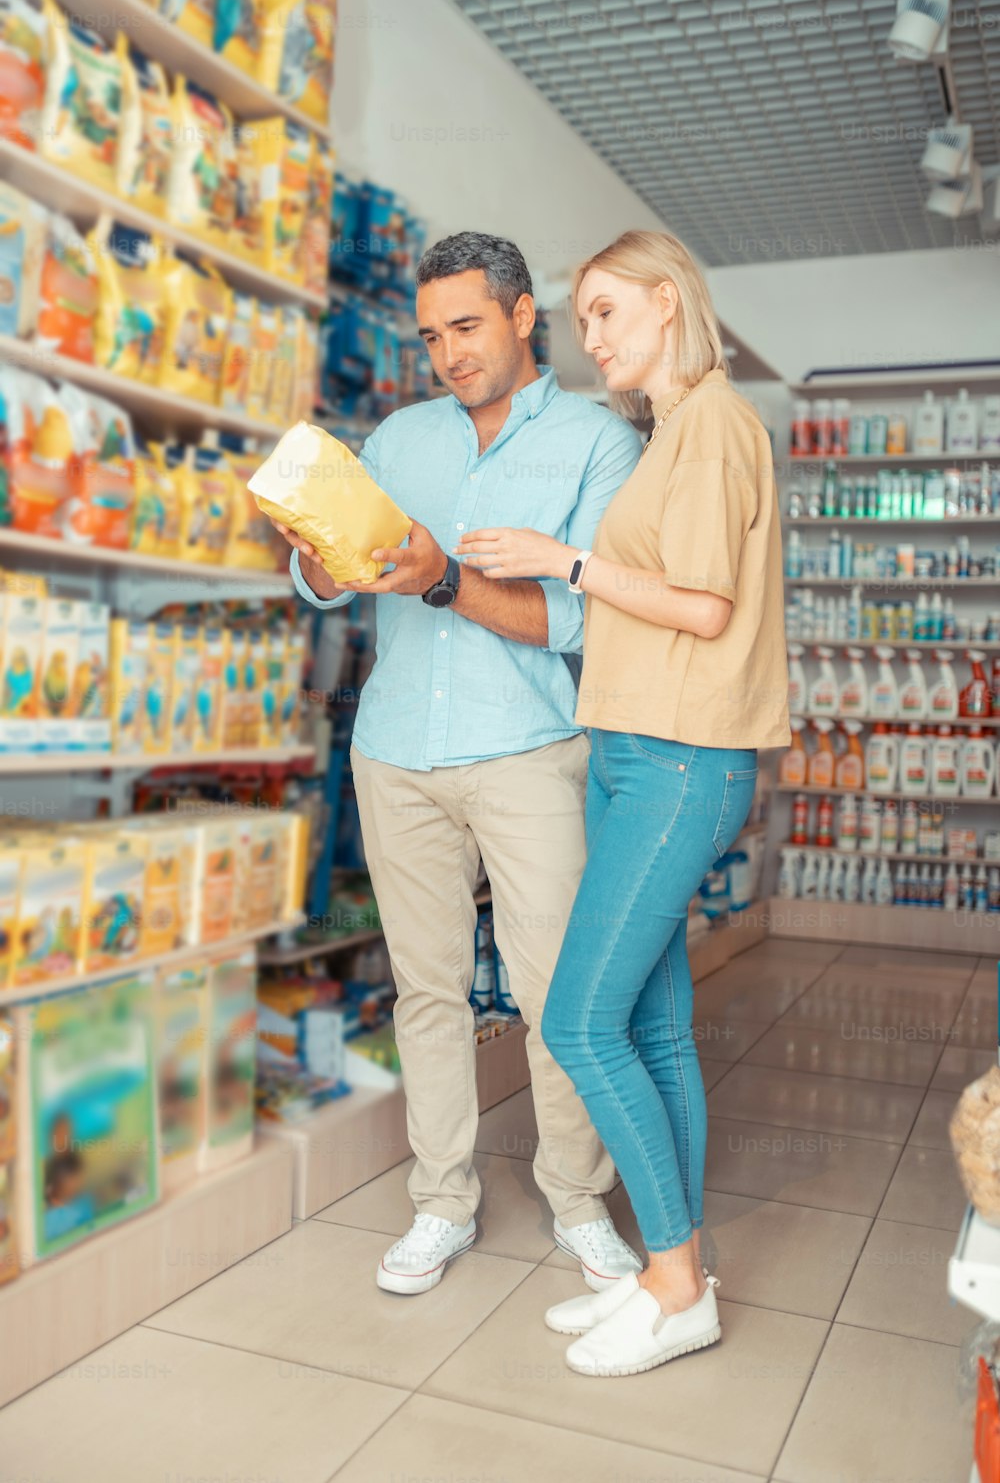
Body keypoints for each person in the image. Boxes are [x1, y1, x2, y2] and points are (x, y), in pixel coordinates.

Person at [279, 232, 644, 1296]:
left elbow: (578, 621)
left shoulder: (593, 443)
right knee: (426, 995)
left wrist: (441, 581)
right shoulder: (397, 437)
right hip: (395, 754)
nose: (448, 353)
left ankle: (577, 1202)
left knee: (558, 998)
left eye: (468, 327)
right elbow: (325, 581)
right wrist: (315, 554)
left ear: (526, 315)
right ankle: (441, 1201)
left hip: (531, 755)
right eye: (432, 334)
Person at [456, 229, 790, 1375]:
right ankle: (670, 1268)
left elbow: (700, 606)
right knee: (649, 1025)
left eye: (603, 312)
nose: (587, 336)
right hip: (635, 749)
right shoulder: (672, 434)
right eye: (580, 317)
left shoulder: (710, 426)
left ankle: (677, 1287)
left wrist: (561, 561)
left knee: (580, 1022)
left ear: (664, 302)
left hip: (679, 759)